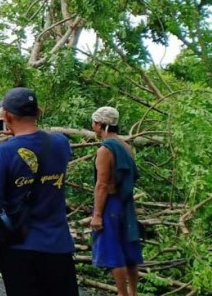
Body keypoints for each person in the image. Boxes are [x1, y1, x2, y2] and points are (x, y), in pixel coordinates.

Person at [0, 87, 78, 296]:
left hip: (18, 250)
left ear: (7, 116)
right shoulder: (60, 143)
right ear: (37, 113)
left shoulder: (4, 152)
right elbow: (43, 145)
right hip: (58, 247)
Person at [91, 106, 143, 296]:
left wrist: (97, 215)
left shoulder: (105, 150)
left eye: (94, 123)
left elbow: (102, 185)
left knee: (113, 250)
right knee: (129, 248)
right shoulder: (125, 146)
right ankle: (133, 292)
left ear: (98, 125)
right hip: (126, 203)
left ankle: (122, 293)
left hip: (111, 204)